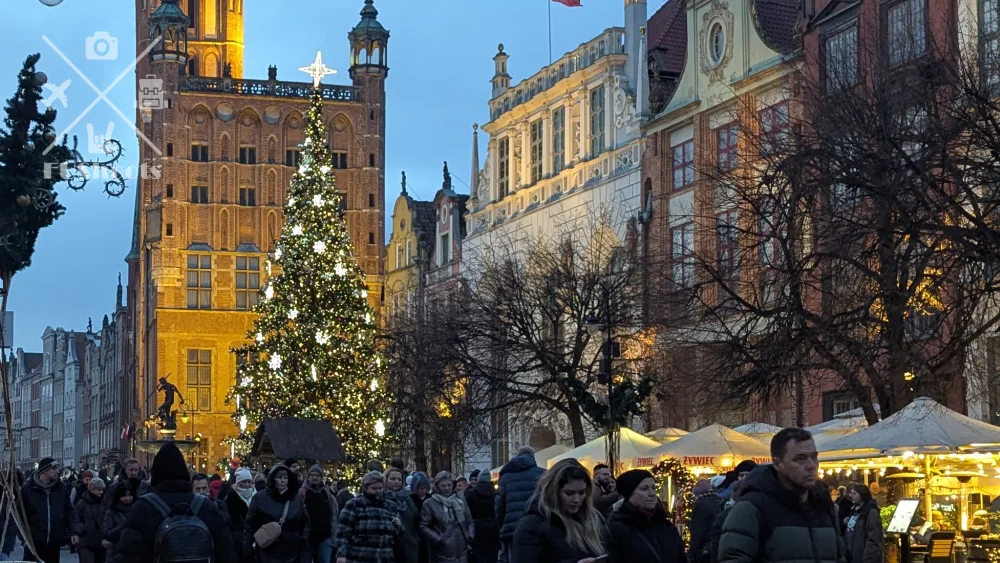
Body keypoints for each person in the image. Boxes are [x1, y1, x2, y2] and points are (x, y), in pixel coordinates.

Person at [718, 428, 845, 563]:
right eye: (800, 459)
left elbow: (840, 556)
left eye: (814, 457)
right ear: (778, 463)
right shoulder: (751, 508)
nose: (811, 465)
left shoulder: (823, 506)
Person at [116, 442, 235, 563]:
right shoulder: (206, 506)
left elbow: (128, 553)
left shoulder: (143, 508)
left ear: (156, 475)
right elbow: (226, 552)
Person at [512, 459, 606, 562]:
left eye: (582, 493)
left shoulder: (594, 519)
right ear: (553, 492)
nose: (577, 500)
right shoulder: (531, 525)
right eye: (569, 493)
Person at [607, 469, 685, 563]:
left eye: (653, 488)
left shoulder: (666, 526)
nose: (652, 493)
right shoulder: (617, 529)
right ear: (630, 494)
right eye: (644, 488)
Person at [244, 464, 311, 563]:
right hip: (267, 551)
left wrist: (302, 540)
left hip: (292, 552)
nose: (283, 480)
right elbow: (250, 525)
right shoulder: (259, 498)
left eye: (285, 478)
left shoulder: (296, 499)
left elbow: (306, 522)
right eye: (279, 477)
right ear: (273, 479)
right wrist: (247, 549)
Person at [336, 471, 402, 563]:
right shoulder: (354, 505)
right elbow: (342, 533)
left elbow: (394, 535)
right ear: (365, 488)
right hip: (360, 557)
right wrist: (341, 554)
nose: (378, 491)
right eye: (374, 488)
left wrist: (398, 526)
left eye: (380, 488)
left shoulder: (391, 506)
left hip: (385, 558)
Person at [496, 446, 545, 563]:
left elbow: (499, 506)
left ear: (518, 456)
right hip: (539, 526)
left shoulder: (505, 477)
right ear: (533, 456)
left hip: (512, 528)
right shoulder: (543, 474)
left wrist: (501, 525)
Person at [21, 456, 72, 563]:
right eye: (54, 468)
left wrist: (71, 532)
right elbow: (20, 513)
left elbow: (69, 511)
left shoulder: (60, 488)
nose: (58, 471)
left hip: (54, 541)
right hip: (34, 540)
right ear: (44, 470)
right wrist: (24, 537)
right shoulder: (28, 489)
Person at [420, 472, 474, 563]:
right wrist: (439, 539)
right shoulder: (430, 503)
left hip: (462, 551)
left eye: (449, 485)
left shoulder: (460, 501)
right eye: (443, 486)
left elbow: (470, 521)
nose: (447, 488)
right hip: (441, 553)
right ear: (437, 486)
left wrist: (470, 535)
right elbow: (424, 527)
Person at [302, 465, 338, 563]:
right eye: (312, 475)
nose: (315, 477)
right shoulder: (302, 494)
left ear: (321, 478)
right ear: (308, 477)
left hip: (324, 536)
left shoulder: (327, 495)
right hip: (306, 537)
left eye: (317, 475)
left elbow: (333, 516)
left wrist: (334, 538)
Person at [386, 467, 420, 563]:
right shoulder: (381, 498)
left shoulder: (408, 498)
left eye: (399, 479)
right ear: (386, 480)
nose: (396, 482)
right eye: (393, 479)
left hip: (409, 546)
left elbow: (415, 518)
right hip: (389, 548)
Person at [465, 470, 500, 563]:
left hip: (477, 530)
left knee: (478, 557)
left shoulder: (471, 493)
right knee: (491, 557)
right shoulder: (496, 493)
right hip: (493, 530)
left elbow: (467, 513)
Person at [72, 477, 108, 563]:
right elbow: (75, 519)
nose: (101, 492)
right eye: (98, 490)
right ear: (91, 489)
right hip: (86, 541)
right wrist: (79, 530)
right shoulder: (82, 503)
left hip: (101, 542)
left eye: (102, 490)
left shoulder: (105, 503)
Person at [845, 484, 883, 563]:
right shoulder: (854, 510)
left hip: (863, 557)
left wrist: (867, 558)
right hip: (852, 555)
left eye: (854, 494)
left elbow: (874, 538)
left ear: (862, 495)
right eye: (851, 493)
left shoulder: (871, 512)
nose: (851, 496)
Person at [689, 479, 724, 563]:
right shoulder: (720, 500)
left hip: (705, 550)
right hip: (718, 546)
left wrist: (691, 554)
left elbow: (697, 532)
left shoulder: (700, 505)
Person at [102, 478, 136, 563]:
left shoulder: (137, 509)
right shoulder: (112, 512)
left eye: (130, 495)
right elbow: (108, 533)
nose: (128, 498)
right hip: (116, 554)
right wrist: (123, 526)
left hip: (134, 554)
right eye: (124, 496)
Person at [227, 467, 256, 562]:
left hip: (256, 538)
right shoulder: (231, 497)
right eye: (244, 482)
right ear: (238, 483)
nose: (247, 485)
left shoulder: (257, 496)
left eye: (249, 482)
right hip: (239, 539)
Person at [410, 472, 432, 563]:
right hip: (415, 532)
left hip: (429, 533)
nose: (422, 490)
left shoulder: (430, 498)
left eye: (424, 488)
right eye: (420, 488)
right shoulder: (411, 499)